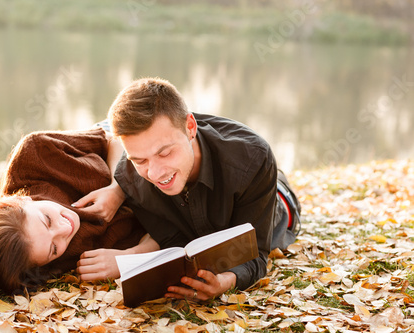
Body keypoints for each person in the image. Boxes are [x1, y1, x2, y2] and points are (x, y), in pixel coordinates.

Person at [105, 77, 301, 302]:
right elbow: (171, 239)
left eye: (165, 153)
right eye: (140, 160)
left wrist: (225, 282)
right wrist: (115, 190)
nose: (155, 173)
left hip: (278, 203)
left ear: (190, 127)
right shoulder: (131, 177)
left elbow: (257, 255)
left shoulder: (253, 158)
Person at [0, 128, 158, 292]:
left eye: (47, 220)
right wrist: (127, 258)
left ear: (18, 202)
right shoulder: (62, 259)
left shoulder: (36, 154)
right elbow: (169, 234)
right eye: (54, 248)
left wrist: (117, 189)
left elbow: (115, 138)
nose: (65, 229)